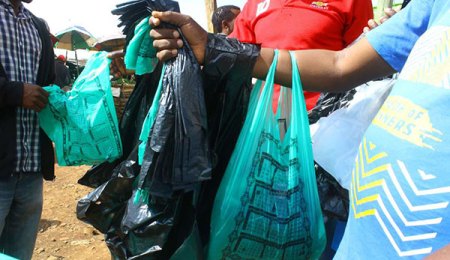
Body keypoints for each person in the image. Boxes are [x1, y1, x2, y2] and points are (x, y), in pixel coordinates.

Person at [148, 0, 450, 257]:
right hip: (268, 131)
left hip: (323, 140)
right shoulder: (432, 5)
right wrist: (212, 48)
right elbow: (340, 64)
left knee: (309, 219)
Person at [0, 0, 56, 259]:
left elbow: (47, 85)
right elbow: (20, 93)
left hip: (31, 169)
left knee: (19, 255)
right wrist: (14, 92)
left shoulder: (38, 26)